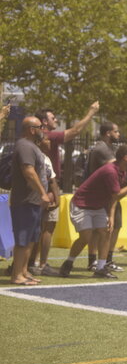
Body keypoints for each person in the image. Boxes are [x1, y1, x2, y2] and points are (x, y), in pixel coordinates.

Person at [59, 145, 127, 278]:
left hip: (98, 206)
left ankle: (100, 268)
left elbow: (112, 197)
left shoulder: (121, 170)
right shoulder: (111, 171)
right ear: (125, 158)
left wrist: (111, 216)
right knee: (86, 237)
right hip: (82, 204)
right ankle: (68, 262)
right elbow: (117, 195)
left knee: (106, 232)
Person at [9, 117, 50, 286]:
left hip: (33, 202)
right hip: (25, 201)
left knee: (32, 239)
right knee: (23, 239)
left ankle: (24, 271)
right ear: (32, 129)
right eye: (41, 127)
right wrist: (43, 193)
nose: (44, 129)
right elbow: (29, 172)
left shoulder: (32, 146)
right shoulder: (25, 146)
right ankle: (16, 275)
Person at [84, 122, 123, 272]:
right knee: (98, 229)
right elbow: (117, 166)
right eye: (116, 131)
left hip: (111, 193)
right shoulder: (101, 148)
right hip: (100, 195)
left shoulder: (111, 148)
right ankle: (93, 260)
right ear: (108, 133)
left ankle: (108, 260)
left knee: (116, 226)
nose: (118, 134)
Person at [36, 101, 99, 182]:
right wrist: (91, 112)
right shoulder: (47, 135)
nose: (56, 120)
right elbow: (75, 131)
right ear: (45, 121)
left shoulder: (42, 135)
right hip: (49, 181)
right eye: (53, 118)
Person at [27, 134, 60, 277]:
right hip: (35, 199)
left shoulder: (46, 158)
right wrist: (42, 195)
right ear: (39, 142)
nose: (49, 142)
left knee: (48, 228)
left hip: (48, 199)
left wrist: (56, 198)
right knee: (34, 232)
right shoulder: (32, 156)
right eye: (46, 139)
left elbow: (52, 179)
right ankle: (28, 263)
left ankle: (43, 264)